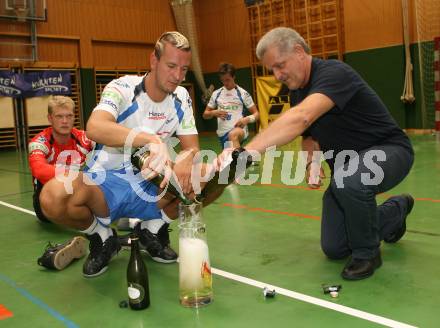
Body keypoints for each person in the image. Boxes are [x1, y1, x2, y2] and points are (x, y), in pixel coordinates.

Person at [39, 32, 225, 278]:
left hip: (150, 184)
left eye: (184, 69)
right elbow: (95, 127)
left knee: (213, 175)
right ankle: (101, 235)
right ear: (153, 61)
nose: (178, 76)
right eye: (171, 66)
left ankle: (154, 229)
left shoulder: (181, 97)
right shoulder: (122, 88)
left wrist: (185, 159)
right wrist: (150, 140)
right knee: (52, 196)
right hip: (105, 184)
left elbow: (192, 147)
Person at [242, 27, 415, 280]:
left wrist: (245, 154)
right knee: (335, 247)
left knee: (348, 181)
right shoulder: (297, 90)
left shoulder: (335, 73)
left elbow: (301, 118)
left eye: (280, 66)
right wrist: (312, 162)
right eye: (272, 71)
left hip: (390, 151)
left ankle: (367, 254)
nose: (277, 75)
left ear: (299, 52)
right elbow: (309, 135)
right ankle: (396, 210)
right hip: (348, 170)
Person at [28, 95, 94, 223]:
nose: (65, 121)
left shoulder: (84, 138)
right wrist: (75, 175)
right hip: (48, 197)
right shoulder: (40, 142)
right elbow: (39, 169)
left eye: (69, 116)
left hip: (78, 192)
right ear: (50, 118)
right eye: (59, 116)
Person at [203, 63, 259, 149]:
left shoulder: (243, 93)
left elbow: (256, 114)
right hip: (222, 134)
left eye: (227, 80)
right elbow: (205, 115)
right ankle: (246, 158)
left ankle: (241, 161)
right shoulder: (216, 94)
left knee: (233, 135)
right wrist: (213, 113)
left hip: (239, 130)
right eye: (222, 80)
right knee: (227, 160)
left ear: (234, 77)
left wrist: (246, 119)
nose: (225, 83)